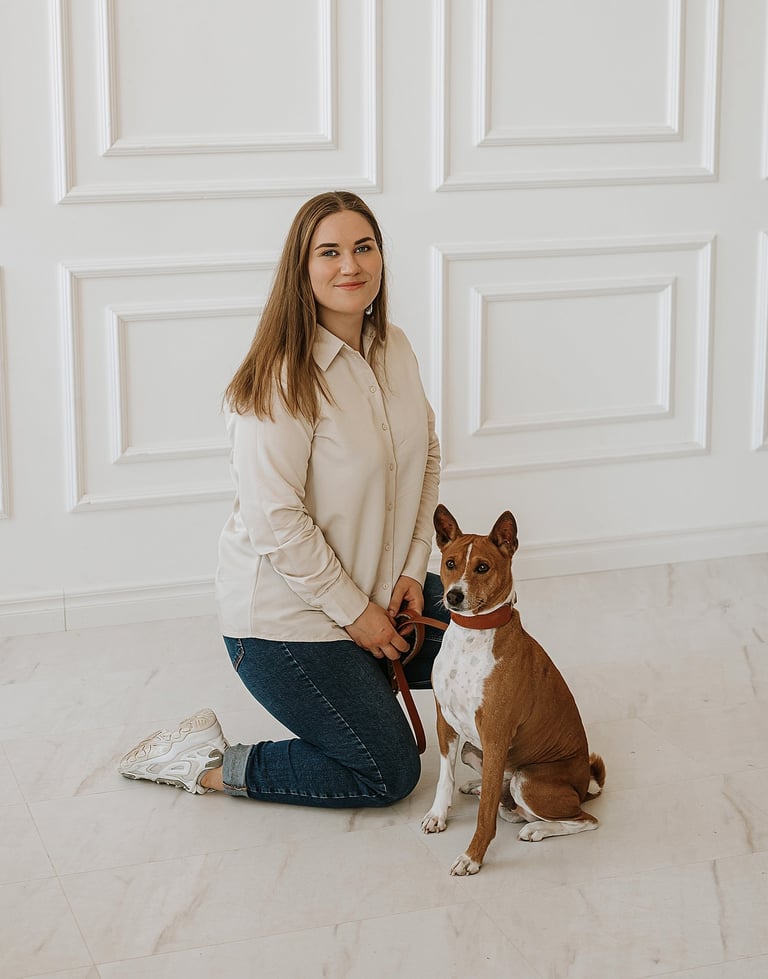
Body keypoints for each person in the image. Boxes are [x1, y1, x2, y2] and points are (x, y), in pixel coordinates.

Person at [118, 191, 449, 807]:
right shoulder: (279, 379)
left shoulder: (394, 347)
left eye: (364, 247)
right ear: (301, 268)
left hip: (381, 586)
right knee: (389, 773)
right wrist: (357, 614)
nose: (351, 265)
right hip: (287, 622)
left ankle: (475, 753)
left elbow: (426, 456)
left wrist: (410, 570)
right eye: (330, 252)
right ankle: (204, 763)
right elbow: (277, 521)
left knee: (489, 634)